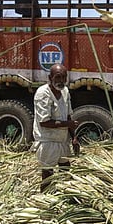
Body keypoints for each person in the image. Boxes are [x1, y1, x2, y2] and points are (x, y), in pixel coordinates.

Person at [32, 63, 80, 191]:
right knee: (48, 175)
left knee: (66, 170)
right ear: (50, 77)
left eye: (63, 77)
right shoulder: (43, 94)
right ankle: (45, 200)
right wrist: (67, 125)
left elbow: (68, 116)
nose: (61, 81)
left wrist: (74, 137)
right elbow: (44, 122)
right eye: (57, 77)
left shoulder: (65, 91)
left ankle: (65, 196)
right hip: (47, 141)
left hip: (62, 140)